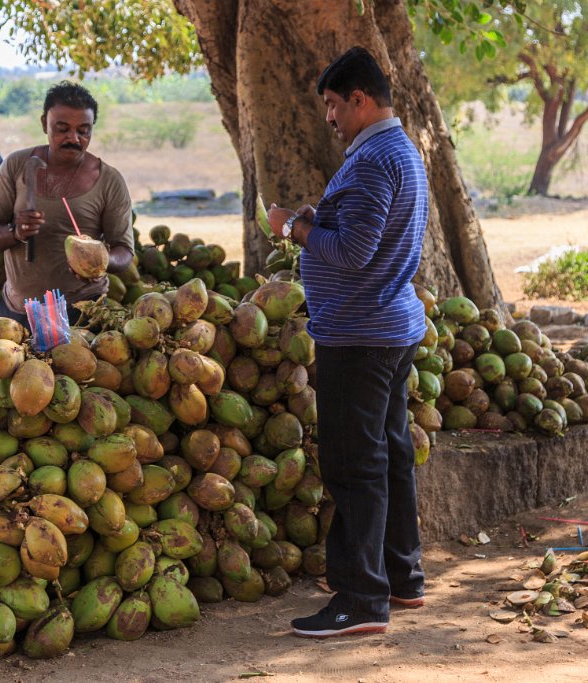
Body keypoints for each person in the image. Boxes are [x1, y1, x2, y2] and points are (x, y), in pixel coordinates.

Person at [267, 46, 429, 638]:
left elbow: (356, 253)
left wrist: (292, 226)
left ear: (360, 99)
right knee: (389, 455)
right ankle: (401, 574)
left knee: (354, 465)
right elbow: (372, 233)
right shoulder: (401, 152)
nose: (330, 118)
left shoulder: (368, 162)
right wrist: (321, 220)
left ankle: (360, 601)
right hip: (390, 326)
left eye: (334, 106)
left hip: (360, 334)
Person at [0, 81, 134, 328]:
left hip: (82, 314)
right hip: (18, 312)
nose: (73, 138)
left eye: (84, 130)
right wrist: (15, 232)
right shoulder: (16, 165)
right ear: (44, 124)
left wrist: (99, 262)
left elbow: (124, 252)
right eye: (62, 129)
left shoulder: (109, 180)